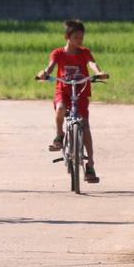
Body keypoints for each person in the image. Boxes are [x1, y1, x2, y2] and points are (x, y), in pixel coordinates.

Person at [35, 19, 107, 184]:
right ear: (67, 37)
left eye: (81, 38)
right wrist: (44, 73)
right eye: (76, 38)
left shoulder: (84, 52)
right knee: (60, 108)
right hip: (64, 89)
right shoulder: (58, 53)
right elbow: (50, 67)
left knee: (85, 124)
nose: (79, 41)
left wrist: (99, 72)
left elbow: (92, 64)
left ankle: (90, 165)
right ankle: (60, 135)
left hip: (80, 91)